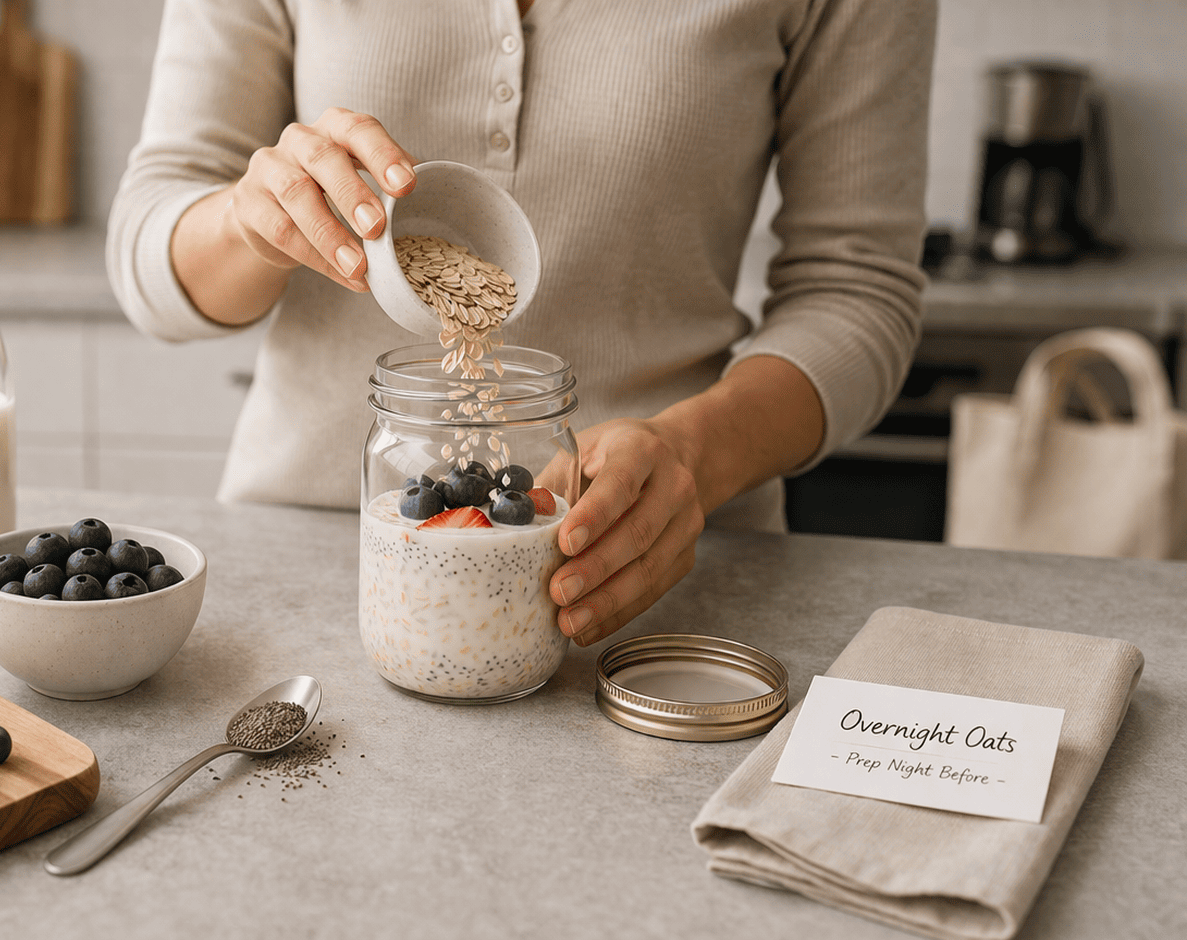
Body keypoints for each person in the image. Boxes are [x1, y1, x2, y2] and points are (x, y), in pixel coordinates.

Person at [107, 0, 934, 647]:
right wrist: (250, 225)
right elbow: (147, 254)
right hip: (298, 562)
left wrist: (695, 453)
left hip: (646, 572)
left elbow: (859, 288)